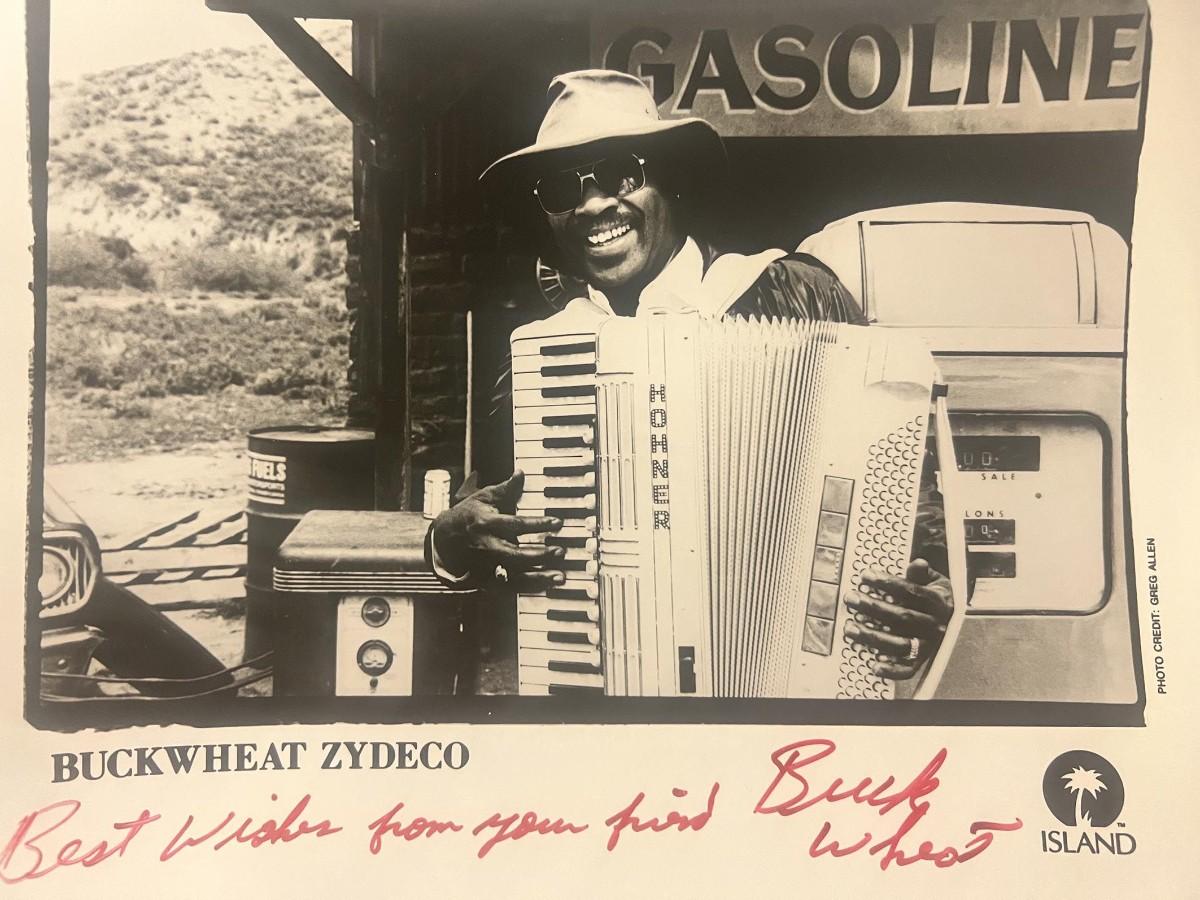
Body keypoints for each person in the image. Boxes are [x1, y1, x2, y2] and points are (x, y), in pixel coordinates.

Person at [429, 69, 953, 682]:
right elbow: (485, 521)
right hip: (600, 691)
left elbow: (915, 499)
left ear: (668, 179)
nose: (595, 204)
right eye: (563, 187)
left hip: (794, 692)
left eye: (623, 172)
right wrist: (447, 538)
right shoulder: (542, 361)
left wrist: (935, 590)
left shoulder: (797, 294)